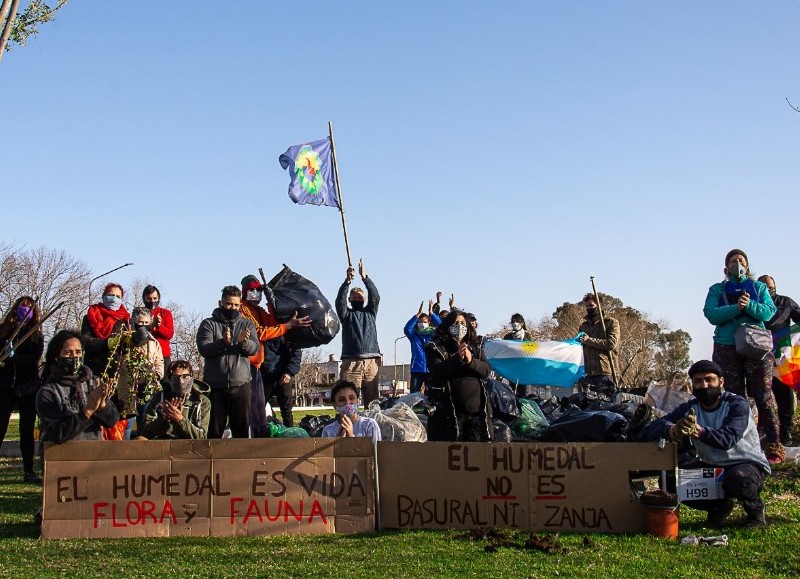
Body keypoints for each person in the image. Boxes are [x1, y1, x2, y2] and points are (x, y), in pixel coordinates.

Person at [638, 360, 770, 529]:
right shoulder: (690, 407)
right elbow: (653, 426)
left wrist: (698, 431)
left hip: (745, 464)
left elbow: (727, 439)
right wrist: (672, 429)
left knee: (738, 479)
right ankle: (719, 507)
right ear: (692, 384)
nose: (704, 385)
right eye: (698, 381)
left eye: (709, 379)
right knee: (671, 482)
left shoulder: (737, 404)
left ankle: (755, 511)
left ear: (721, 382)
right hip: (712, 466)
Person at [703, 249, 782, 463]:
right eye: (732, 261)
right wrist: (735, 308)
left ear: (747, 266)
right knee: (734, 397)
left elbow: (768, 312)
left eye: (741, 261)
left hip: (756, 346)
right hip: (726, 346)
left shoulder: (759, 287)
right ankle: (739, 443)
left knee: (763, 395)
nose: (737, 264)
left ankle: (774, 445)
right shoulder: (717, 290)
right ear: (725, 268)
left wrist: (750, 305)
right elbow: (711, 314)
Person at [239, 275, 310, 436]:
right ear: (245, 292)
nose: (256, 293)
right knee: (255, 409)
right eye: (252, 290)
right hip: (249, 366)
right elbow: (260, 333)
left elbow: (272, 323)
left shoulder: (258, 310)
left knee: (281, 410)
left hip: (260, 366)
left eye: (259, 290)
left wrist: (271, 301)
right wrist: (288, 326)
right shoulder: (242, 310)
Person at [196, 286, 260, 438]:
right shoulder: (208, 324)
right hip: (215, 387)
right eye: (229, 304)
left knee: (242, 433)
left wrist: (243, 343)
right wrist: (223, 343)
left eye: (236, 305)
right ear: (221, 303)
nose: (233, 308)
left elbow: (254, 349)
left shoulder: (247, 324)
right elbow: (204, 349)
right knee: (214, 433)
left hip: (241, 385)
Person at [35, 330, 119, 444]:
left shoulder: (93, 383)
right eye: (68, 353)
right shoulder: (48, 391)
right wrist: (88, 411)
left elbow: (112, 421)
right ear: (56, 356)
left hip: (92, 453)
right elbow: (57, 433)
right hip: (59, 457)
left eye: (78, 352)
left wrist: (102, 406)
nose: (74, 357)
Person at [425, 310, 492, 442]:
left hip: (476, 413)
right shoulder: (436, 347)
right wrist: (457, 359)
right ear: (448, 326)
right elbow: (436, 371)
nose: (459, 327)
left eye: (462, 323)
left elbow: (486, 370)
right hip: (449, 414)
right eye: (455, 323)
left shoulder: (475, 346)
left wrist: (471, 361)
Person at [0, 297, 44, 483]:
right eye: (21, 307)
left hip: (28, 386)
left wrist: (12, 359)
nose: (24, 310)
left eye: (28, 308)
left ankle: (28, 471)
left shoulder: (36, 335)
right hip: (5, 385)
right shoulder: (3, 330)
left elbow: (32, 359)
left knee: (26, 429)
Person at [757, 274, 800, 446]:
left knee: (785, 396)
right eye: (764, 286)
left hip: (781, 357)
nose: (768, 289)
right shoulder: (754, 305)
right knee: (762, 397)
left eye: (771, 286)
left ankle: (786, 433)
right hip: (758, 357)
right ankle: (763, 434)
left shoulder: (786, 303)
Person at [336, 259, 381, 406]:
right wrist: (347, 282)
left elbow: (375, 296)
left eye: (360, 297)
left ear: (364, 299)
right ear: (350, 299)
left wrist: (364, 277)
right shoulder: (346, 314)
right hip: (351, 362)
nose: (357, 299)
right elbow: (339, 302)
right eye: (354, 297)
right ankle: (348, 425)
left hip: (370, 361)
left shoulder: (370, 312)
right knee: (348, 399)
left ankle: (373, 425)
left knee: (373, 400)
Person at [116, 307, 164, 437]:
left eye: (146, 323)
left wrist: (157, 374)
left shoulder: (155, 343)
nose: (143, 326)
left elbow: (159, 361)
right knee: (127, 422)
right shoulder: (127, 339)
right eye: (140, 323)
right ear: (133, 322)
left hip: (147, 387)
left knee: (145, 421)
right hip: (129, 388)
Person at [138, 360, 211, 440]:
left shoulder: (202, 401)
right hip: (162, 445)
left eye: (185, 376)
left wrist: (180, 419)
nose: (180, 381)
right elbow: (145, 432)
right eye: (175, 377)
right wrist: (164, 419)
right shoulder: (159, 397)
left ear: (191, 377)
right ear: (169, 380)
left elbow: (201, 437)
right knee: (139, 439)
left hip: (189, 446)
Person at [81, 282, 130, 377]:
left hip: (116, 371)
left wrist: (127, 343)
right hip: (93, 368)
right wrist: (107, 343)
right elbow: (85, 341)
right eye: (111, 295)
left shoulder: (124, 320)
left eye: (118, 296)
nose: (114, 299)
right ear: (104, 296)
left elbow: (125, 349)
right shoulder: (90, 317)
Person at [578, 293, 620, 396]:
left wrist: (589, 341)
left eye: (591, 306)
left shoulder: (611, 323)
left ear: (599, 305)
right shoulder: (583, 326)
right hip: (587, 374)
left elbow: (611, 344)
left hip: (605, 372)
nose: (589, 308)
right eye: (587, 306)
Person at [262, 336, 303, 427]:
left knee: (287, 412)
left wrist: (289, 372)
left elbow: (296, 353)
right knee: (258, 410)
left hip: (283, 376)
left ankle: (290, 436)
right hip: (265, 376)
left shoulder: (288, 331)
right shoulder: (263, 328)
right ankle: (259, 436)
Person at [403, 300, 441, 393]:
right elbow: (407, 328)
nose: (422, 324)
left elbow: (441, 326)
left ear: (428, 323)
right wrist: (417, 315)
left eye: (425, 322)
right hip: (417, 369)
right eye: (420, 322)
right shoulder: (414, 336)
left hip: (430, 369)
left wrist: (431, 313)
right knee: (414, 395)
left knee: (431, 394)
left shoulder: (433, 335)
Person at [142, 285, 174, 372]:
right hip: (143, 355)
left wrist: (159, 326)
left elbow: (169, 334)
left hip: (163, 356)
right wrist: (151, 326)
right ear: (144, 299)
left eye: (155, 298)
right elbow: (136, 332)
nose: (152, 301)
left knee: (166, 384)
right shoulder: (139, 313)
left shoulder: (165, 313)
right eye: (149, 299)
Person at [503, 313, 535, 397]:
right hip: (512, 370)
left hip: (525, 370)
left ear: (522, 323)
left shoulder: (527, 336)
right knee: (512, 394)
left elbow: (532, 350)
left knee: (524, 394)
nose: (514, 323)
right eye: (513, 322)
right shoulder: (507, 337)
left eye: (517, 321)